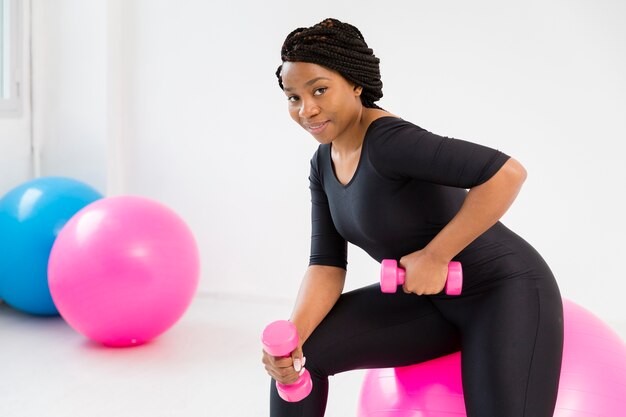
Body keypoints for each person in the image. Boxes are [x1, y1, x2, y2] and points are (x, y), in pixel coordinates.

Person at [262, 17, 563, 417]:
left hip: (504, 292)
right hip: (429, 302)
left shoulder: (390, 142)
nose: (306, 109)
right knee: (302, 361)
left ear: (355, 84)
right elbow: (326, 264)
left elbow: (506, 173)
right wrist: (292, 339)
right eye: (293, 97)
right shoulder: (322, 163)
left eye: (319, 90)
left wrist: (437, 256)